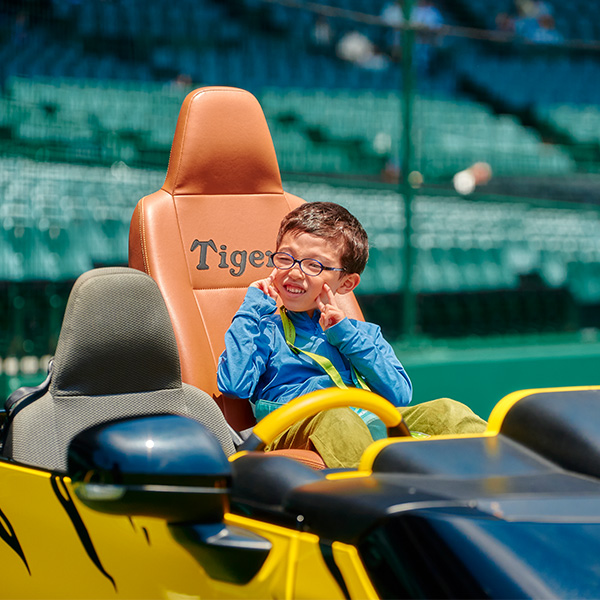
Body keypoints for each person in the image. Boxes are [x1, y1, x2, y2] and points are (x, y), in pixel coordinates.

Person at [217, 202, 486, 468]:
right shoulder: (265, 330)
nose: (295, 272)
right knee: (337, 417)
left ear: (346, 283)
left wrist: (346, 336)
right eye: (286, 258)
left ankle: (506, 483)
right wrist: (252, 308)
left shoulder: (361, 334)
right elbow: (233, 385)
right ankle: (381, 496)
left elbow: (400, 394)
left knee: (449, 412)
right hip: (296, 427)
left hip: (366, 419)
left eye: (314, 265)